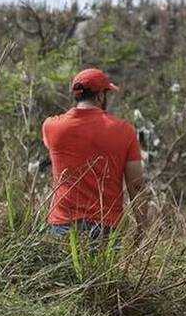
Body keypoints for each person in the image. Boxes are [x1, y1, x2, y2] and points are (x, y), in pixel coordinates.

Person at [42, 68, 146, 240]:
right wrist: (142, 227)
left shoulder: (51, 127)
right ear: (100, 96)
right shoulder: (124, 131)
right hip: (106, 228)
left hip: (62, 226)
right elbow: (136, 185)